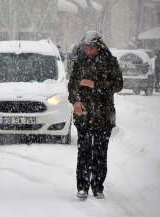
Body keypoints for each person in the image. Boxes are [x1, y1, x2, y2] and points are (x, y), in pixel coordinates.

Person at [68, 31, 123, 200]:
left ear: (98, 46)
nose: (88, 51)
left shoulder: (110, 62)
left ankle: (98, 186)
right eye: (86, 47)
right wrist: (76, 101)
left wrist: (95, 84)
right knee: (84, 151)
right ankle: (82, 187)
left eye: (91, 48)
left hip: (103, 115)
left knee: (100, 153)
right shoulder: (80, 62)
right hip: (83, 114)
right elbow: (72, 86)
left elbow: (118, 84)